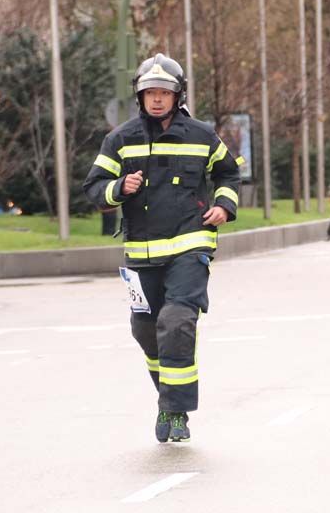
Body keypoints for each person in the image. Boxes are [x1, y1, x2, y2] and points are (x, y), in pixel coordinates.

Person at [83, 53, 241, 444]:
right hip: (141, 251)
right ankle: (168, 397)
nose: (157, 99)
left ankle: (175, 411)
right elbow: (93, 188)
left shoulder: (202, 135)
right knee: (145, 330)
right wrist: (119, 189)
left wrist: (224, 205)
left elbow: (228, 172)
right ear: (140, 96)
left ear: (178, 95)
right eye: (149, 92)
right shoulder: (120, 139)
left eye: (164, 92)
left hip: (191, 245)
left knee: (177, 321)